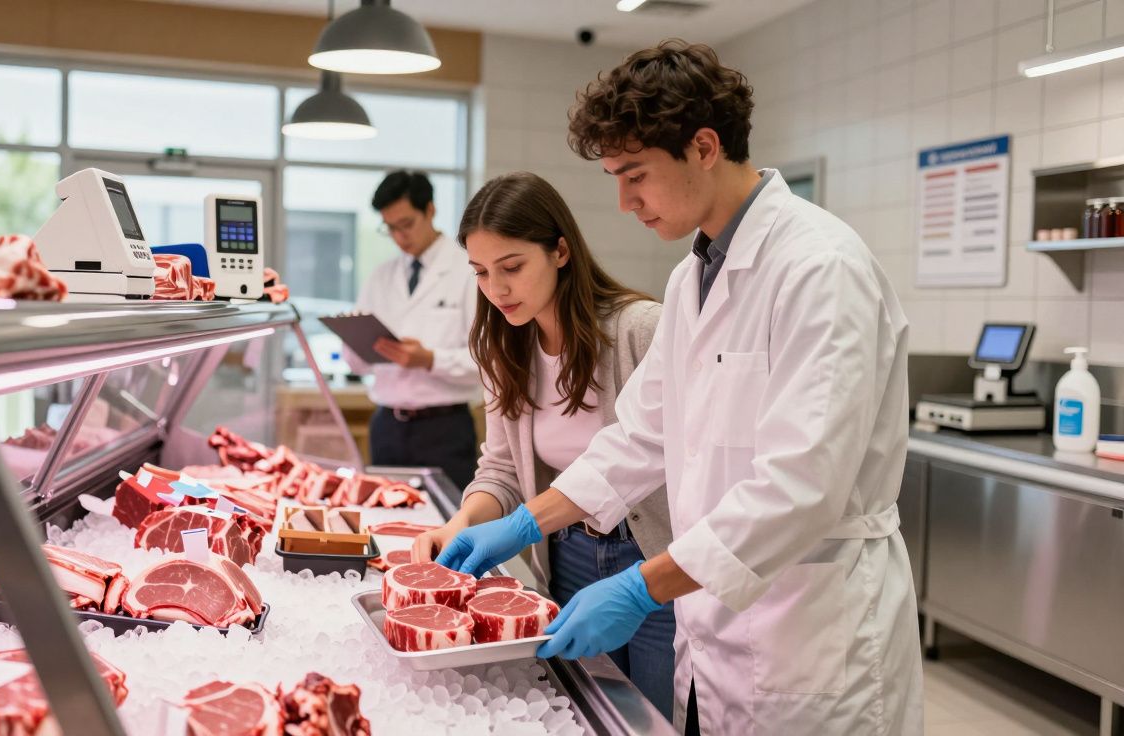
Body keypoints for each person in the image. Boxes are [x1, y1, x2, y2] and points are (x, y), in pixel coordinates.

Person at [436, 40, 924, 735]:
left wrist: (641, 586)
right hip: (716, 622)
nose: (624, 201)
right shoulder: (692, 277)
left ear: (703, 147)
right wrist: (523, 523)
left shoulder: (821, 268)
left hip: (811, 630)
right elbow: (639, 435)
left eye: (635, 175)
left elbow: (802, 487)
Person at [411, 171, 678, 719]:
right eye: (481, 272)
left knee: (653, 716)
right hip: (567, 553)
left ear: (560, 251)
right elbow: (502, 468)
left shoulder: (640, 330)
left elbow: (673, 456)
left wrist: (521, 524)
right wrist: (463, 521)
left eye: (511, 267)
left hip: (653, 557)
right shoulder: (503, 347)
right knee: (590, 712)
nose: (496, 289)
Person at [344, 171, 480, 491]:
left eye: (406, 224)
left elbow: (487, 362)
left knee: (449, 518)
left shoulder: (469, 270)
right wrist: (355, 340)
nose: (399, 236)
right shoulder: (380, 276)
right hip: (387, 426)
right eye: (390, 227)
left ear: (430, 210)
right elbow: (357, 365)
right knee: (385, 515)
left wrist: (430, 360)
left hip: (444, 429)